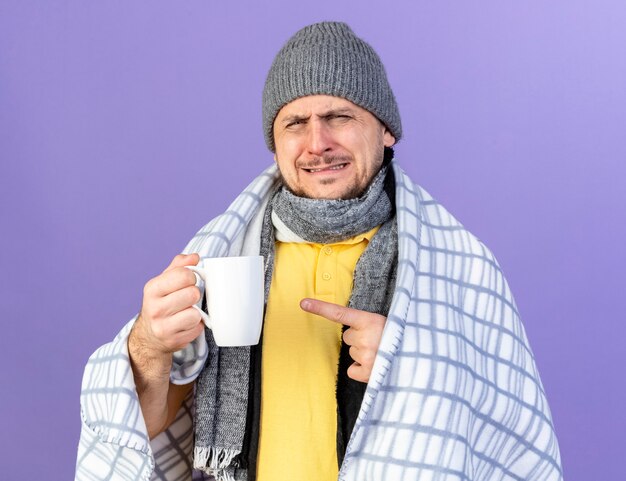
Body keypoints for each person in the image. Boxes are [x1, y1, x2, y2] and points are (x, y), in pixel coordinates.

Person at [76, 22, 562, 481]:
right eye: (295, 123)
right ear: (275, 143)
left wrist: (414, 364)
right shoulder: (220, 260)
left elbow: (512, 439)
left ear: (386, 130)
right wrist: (147, 345)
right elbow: (147, 422)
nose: (317, 144)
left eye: (339, 117)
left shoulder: (463, 267)